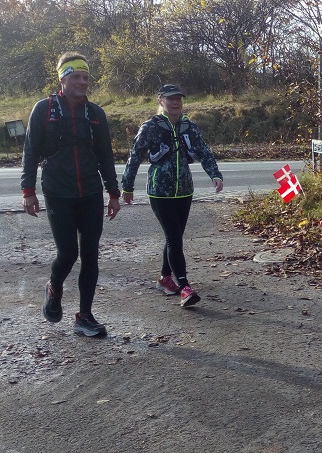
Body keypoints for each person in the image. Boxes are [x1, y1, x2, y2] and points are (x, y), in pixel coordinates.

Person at [21, 52, 122, 337]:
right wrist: (28, 191)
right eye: (76, 76)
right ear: (63, 79)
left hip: (90, 192)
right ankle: (54, 287)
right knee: (68, 253)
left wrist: (113, 194)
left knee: (90, 254)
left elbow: (105, 155)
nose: (83, 82)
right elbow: (29, 152)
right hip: (58, 192)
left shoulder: (96, 114)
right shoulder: (44, 109)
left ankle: (85, 316)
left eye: (86, 77)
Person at [120, 84, 224, 308]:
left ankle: (164, 278)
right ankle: (185, 288)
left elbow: (204, 151)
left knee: (174, 238)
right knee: (174, 239)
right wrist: (127, 186)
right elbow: (135, 156)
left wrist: (215, 174)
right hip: (160, 191)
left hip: (184, 190)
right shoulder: (151, 127)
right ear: (160, 101)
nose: (175, 103)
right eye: (170, 99)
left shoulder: (189, 126)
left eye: (178, 99)